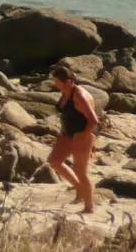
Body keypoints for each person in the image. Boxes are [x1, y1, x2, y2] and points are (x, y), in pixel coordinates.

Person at [47, 64, 101, 214]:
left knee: (80, 170)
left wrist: (83, 136)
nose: (55, 84)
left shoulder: (79, 95)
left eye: (57, 81)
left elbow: (94, 120)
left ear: (69, 81)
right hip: (68, 133)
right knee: (54, 161)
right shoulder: (66, 92)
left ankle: (89, 207)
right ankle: (79, 188)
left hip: (83, 134)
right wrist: (63, 132)